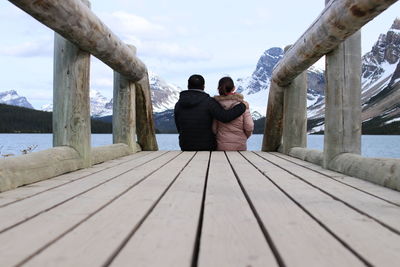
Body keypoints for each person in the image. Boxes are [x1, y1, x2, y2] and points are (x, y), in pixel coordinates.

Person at [174, 74, 247, 151]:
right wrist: (242, 106)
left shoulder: (179, 104)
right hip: (207, 146)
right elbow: (225, 117)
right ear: (203, 87)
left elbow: (178, 126)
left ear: (188, 86)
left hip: (185, 146)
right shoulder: (209, 102)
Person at [212, 77, 254, 151]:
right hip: (240, 145)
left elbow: (214, 129)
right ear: (234, 88)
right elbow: (249, 126)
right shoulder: (243, 105)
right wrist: (244, 137)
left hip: (221, 145)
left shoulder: (216, 105)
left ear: (219, 89)